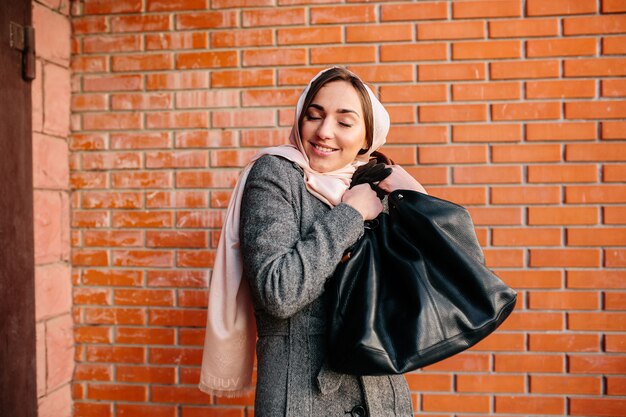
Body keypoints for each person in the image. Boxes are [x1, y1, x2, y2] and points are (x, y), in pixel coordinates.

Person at [199, 67, 426, 416]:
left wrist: (414, 204)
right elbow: (279, 292)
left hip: (383, 397)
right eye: (314, 116)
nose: (324, 131)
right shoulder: (275, 174)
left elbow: (413, 297)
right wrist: (349, 216)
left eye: (344, 122)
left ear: (368, 137)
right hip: (303, 398)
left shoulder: (376, 186)